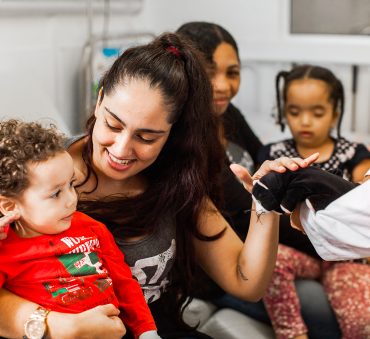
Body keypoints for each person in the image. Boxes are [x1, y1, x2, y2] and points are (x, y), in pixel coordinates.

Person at [0, 33, 316, 339]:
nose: (121, 149)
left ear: (171, 134)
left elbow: (245, 281)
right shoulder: (38, 172)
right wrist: (52, 326)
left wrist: (266, 204)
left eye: (146, 137)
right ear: (99, 100)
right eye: (113, 124)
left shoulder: (175, 182)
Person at [176, 22, 341, 338]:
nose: (223, 85)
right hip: (229, 272)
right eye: (209, 72)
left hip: (270, 248)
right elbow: (256, 209)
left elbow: (270, 168)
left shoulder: (227, 115)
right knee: (331, 312)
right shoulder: (187, 143)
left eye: (232, 72)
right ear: (187, 72)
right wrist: (333, 245)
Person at [0, 119, 159, 339]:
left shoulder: (91, 227)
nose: (71, 200)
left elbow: (124, 283)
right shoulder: (5, 248)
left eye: (71, 184)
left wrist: (147, 331)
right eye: (55, 193)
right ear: (10, 205)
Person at [257, 64, 370, 339]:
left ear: (335, 113)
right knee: (271, 261)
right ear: (284, 111)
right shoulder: (273, 154)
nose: (305, 121)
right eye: (295, 112)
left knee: (360, 320)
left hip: (345, 257)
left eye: (317, 113)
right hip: (301, 251)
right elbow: (264, 205)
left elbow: (364, 198)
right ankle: (293, 333)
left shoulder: (353, 153)